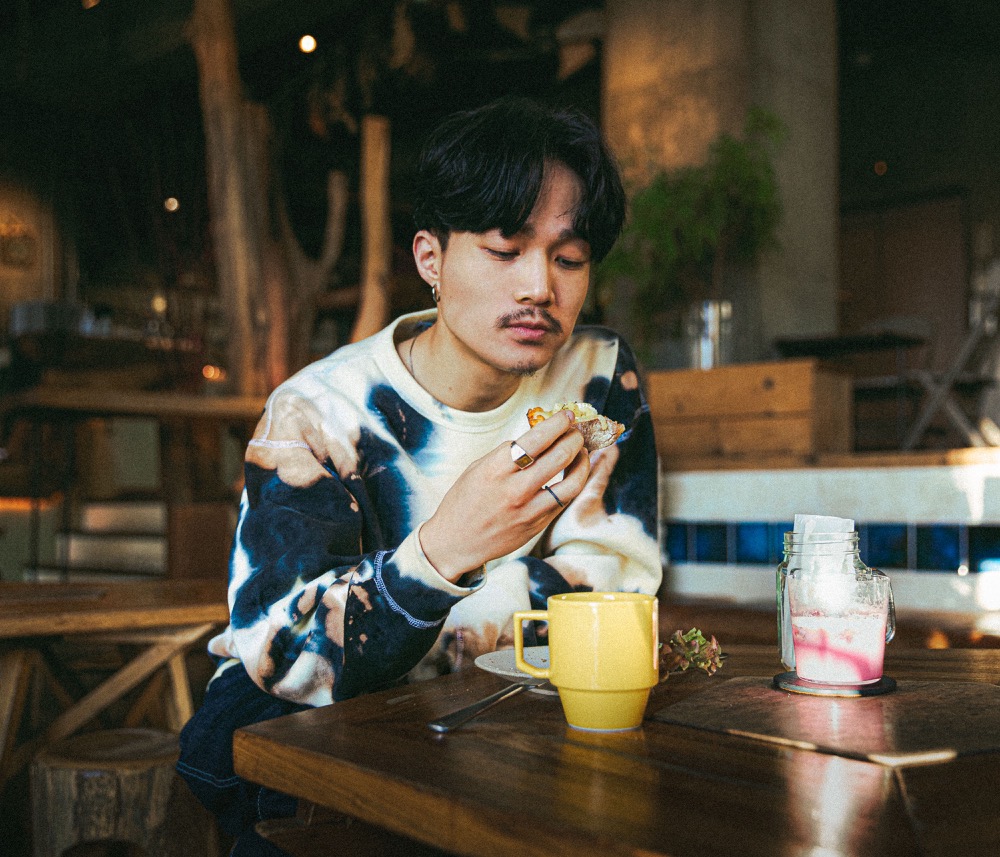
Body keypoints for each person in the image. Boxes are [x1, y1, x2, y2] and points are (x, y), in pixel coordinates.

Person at [177, 96, 661, 854]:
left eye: (568, 259)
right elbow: (289, 651)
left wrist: (449, 615)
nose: (540, 287)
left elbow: (619, 580)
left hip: (499, 706)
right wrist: (441, 552)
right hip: (304, 712)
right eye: (505, 250)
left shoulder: (597, 374)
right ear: (430, 258)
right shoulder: (318, 412)